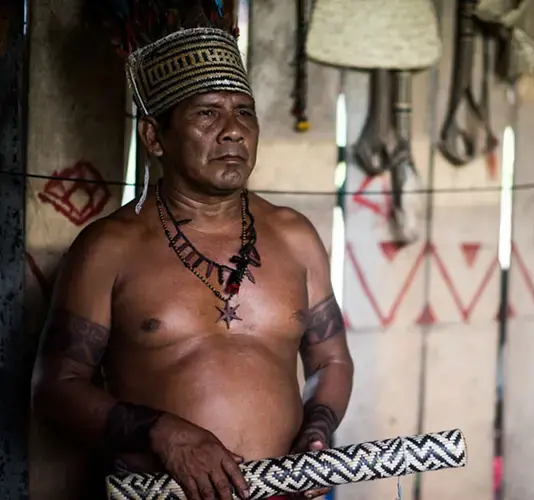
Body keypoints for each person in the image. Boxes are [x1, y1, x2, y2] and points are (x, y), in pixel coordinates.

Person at [30, 20, 354, 500]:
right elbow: (56, 386)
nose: (233, 132)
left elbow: (331, 360)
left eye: (245, 113)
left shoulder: (294, 236)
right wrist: (161, 432)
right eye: (207, 114)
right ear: (155, 138)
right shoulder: (109, 246)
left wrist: (317, 433)